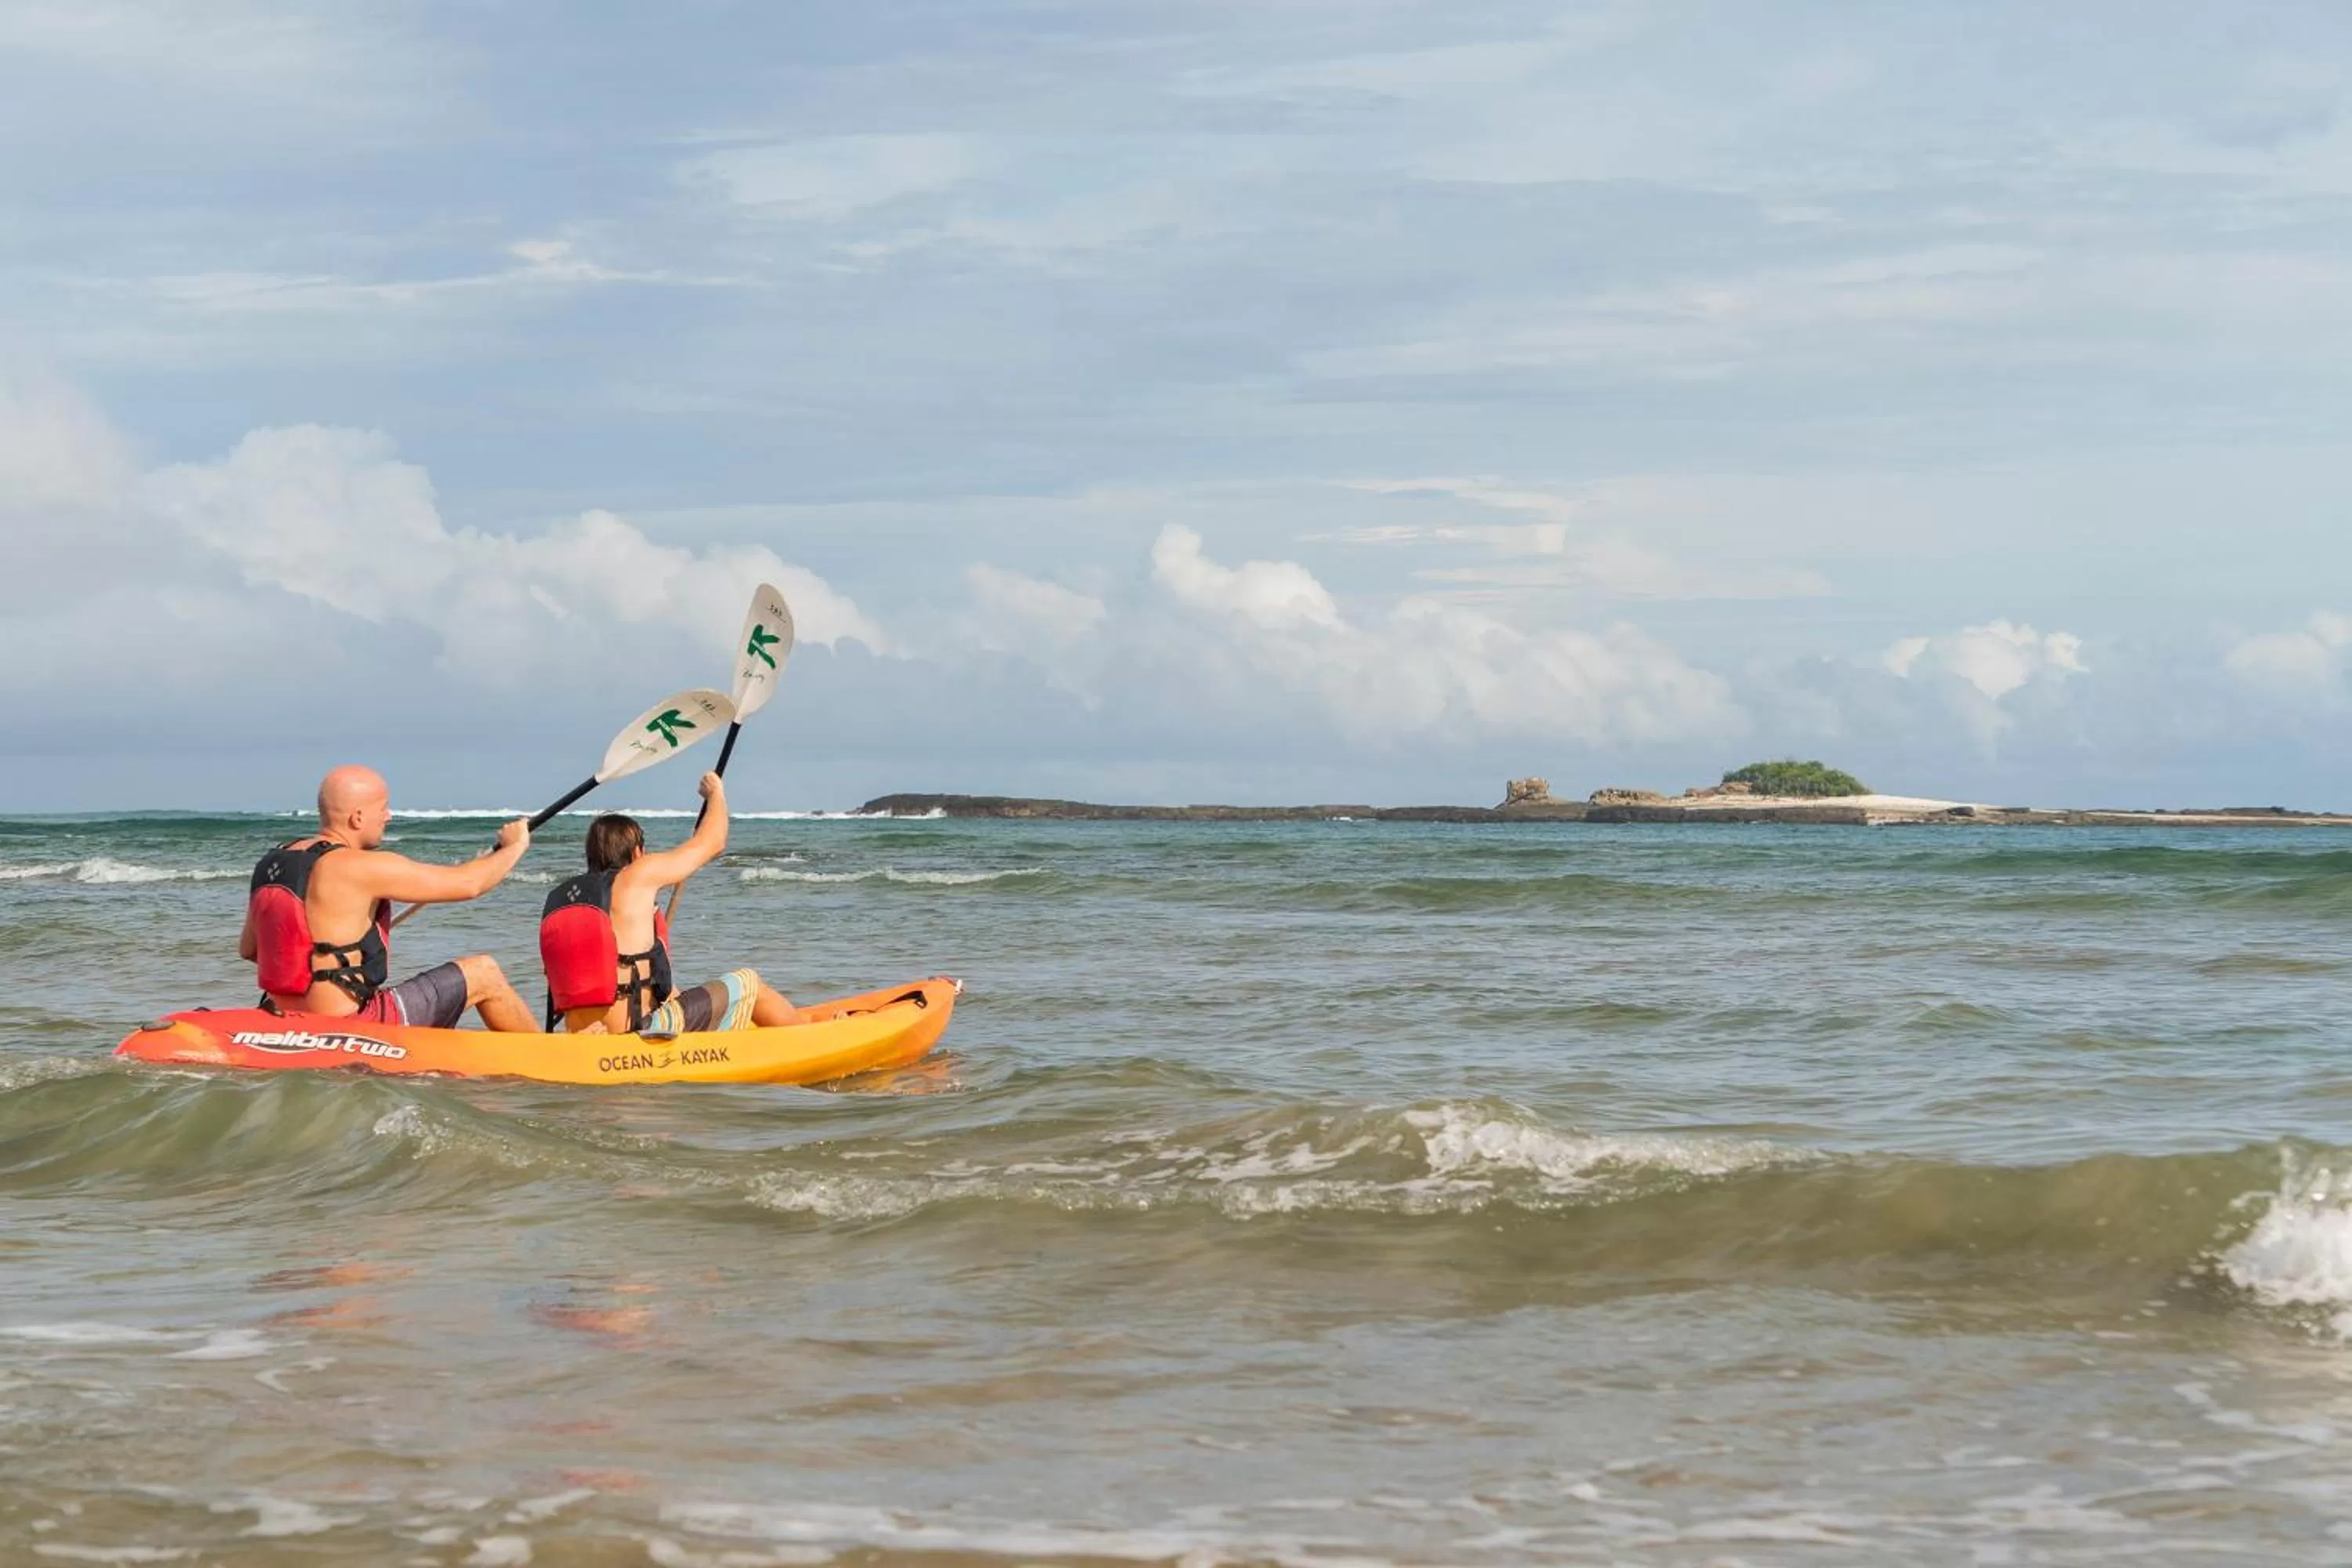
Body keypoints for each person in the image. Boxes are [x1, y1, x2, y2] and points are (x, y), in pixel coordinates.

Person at [239, 765, 536, 1030]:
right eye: (383, 808)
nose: (388, 816)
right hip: (351, 1023)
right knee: (484, 973)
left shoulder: (272, 862)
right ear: (357, 818)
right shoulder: (363, 865)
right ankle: (552, 1058)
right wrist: (515, 846)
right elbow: (471, 883)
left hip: (281, 1014)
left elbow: (250, 950)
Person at [539, 771, 798, 1035]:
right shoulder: (637, 874)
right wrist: (716, 794)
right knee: (749, 983)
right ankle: (808, 1036)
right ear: (638, 853)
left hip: (583, 1035)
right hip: (637, 1034)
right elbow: (712, 842)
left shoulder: (561, 899)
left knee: (684, 998)